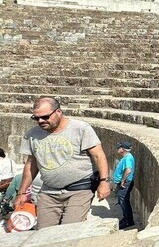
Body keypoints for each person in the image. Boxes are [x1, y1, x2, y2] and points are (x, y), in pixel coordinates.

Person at [16, 97, 110, 229]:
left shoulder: (81, 129)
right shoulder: (32, 134)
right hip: (49, 191)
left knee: (68, 230)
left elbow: (98, 155)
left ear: (58, 112)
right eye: (36, 118)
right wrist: (21, 193)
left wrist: (104, 182)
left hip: (79, 189)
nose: (41, 121)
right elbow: (31, 165)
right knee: (43, 233)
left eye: (45, 117)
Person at [113, 141, 136, 229]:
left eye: (118, 148)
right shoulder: (126, 157)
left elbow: (128, 170)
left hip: (126, 183)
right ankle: (126, 218)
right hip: (125, 182)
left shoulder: (128, 158)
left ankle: (129, 221)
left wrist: (123, 180)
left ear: (122, 149)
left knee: (124, 201)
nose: (117, 149)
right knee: (122, 200)